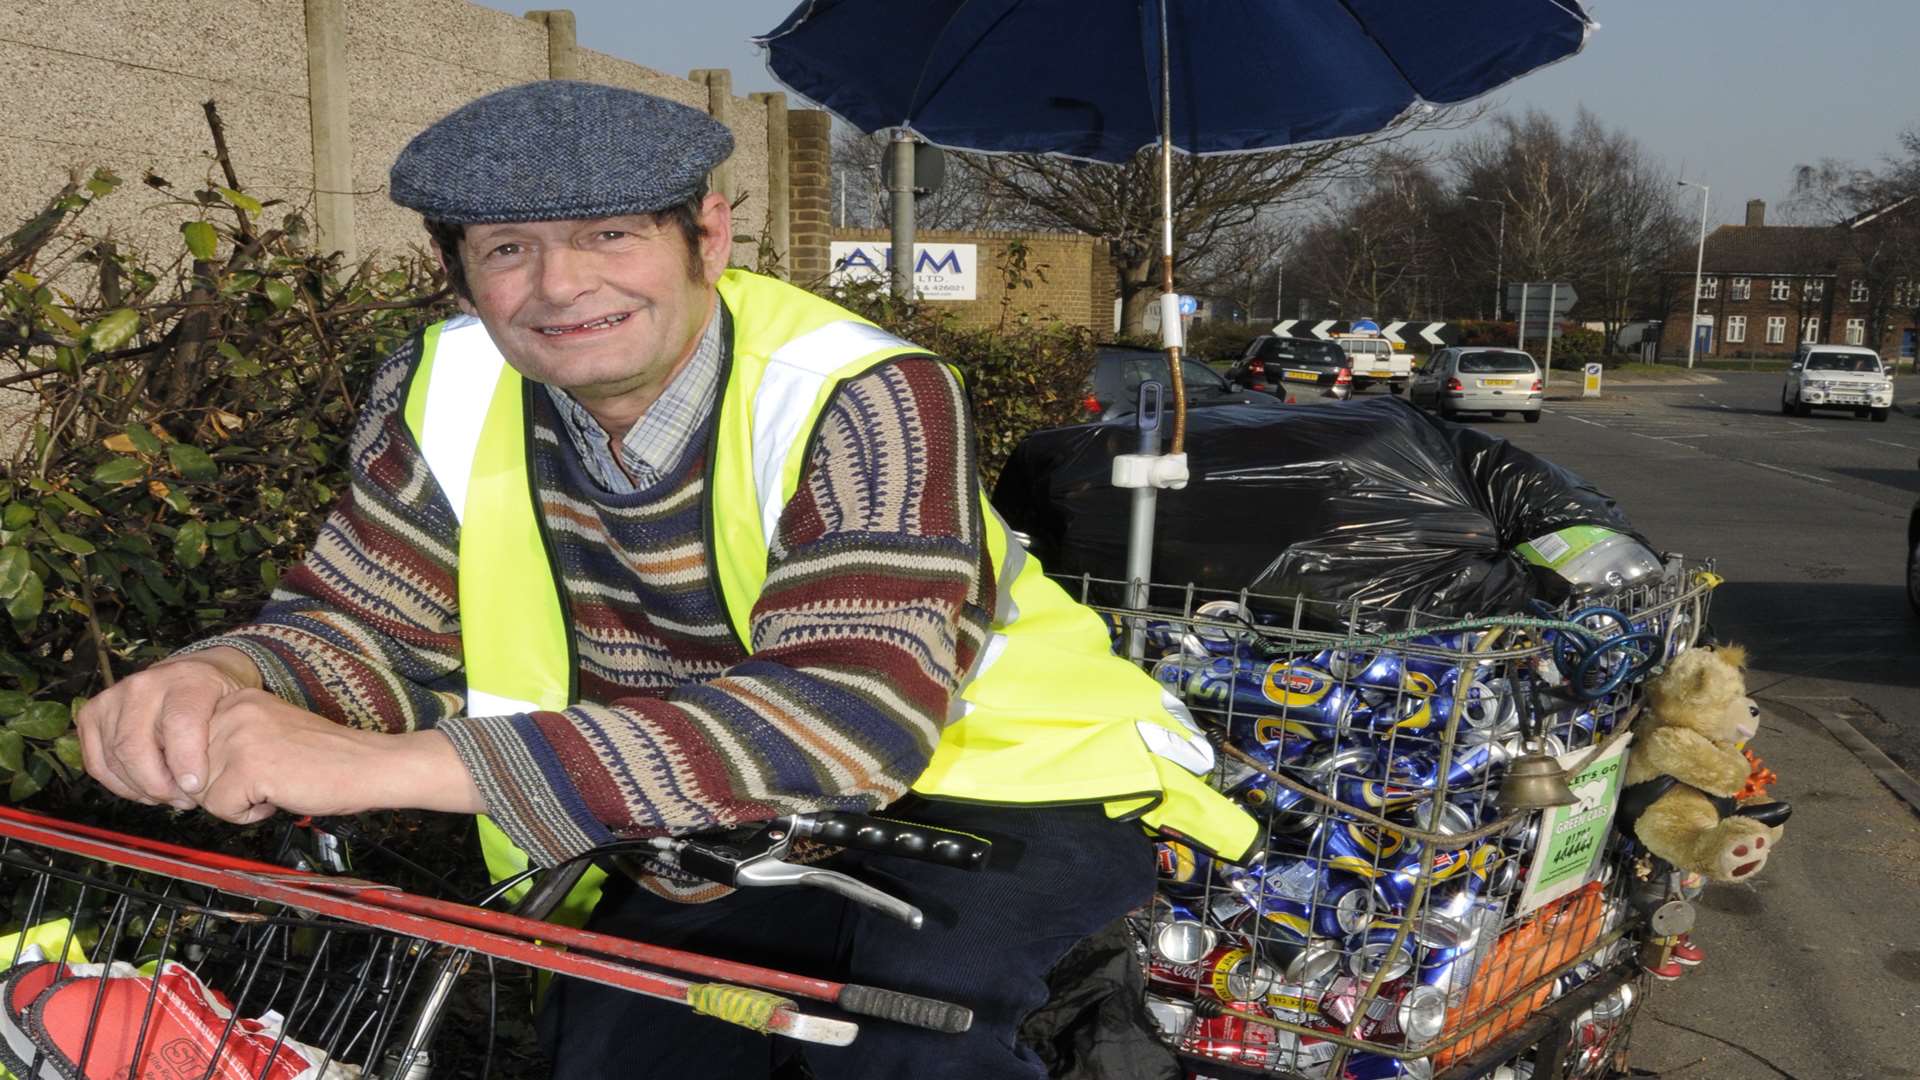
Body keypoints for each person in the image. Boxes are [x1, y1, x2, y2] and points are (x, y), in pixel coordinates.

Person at [75, 81, 1255, 1078]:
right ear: (462, 276)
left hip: (1009, 790)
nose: (560, 287)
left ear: (711, 235)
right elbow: (370, 626)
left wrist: (388, 768)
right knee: (624, 1031)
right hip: (729, 802)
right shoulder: (444, 388)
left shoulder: (868, 394)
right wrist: (220, 680)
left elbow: (850, 713)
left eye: (610, 236)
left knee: (929, 1026)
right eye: (507, 251)